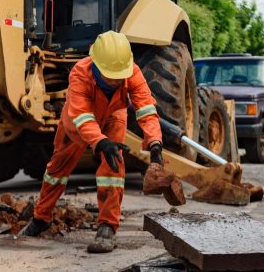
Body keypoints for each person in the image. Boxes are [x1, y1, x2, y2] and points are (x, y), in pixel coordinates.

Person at [19, 31, 164, 253]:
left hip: (113, 116)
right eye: (110, 75)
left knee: (112, 169)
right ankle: (41, 218)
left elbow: (146, 109)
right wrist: (100, 142)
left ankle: (107, 227)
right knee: (56, 171)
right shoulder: (80, 73)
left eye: (119, 76)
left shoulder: (132, 73)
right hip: (78, 123)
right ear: (96, 64)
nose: (116, 80)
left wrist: (155, 144)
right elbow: (82, 116)